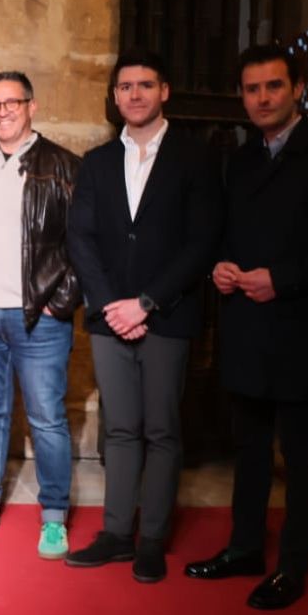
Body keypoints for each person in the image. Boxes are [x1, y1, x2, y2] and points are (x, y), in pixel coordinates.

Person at [185, 44, 308, 609]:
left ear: (298, 88)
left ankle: (293, 566)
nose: (262, 98)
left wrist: (279, 278)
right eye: (253, 89)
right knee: (249, 449)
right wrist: (222, 264)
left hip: (303, 328)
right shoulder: (241, 159)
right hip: (247, 328)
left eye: (274, 86)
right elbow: (227, 230)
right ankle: (245, 548)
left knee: (301, 455)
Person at [65, 52, 223, 582]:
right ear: (114, 97)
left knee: (161, 430)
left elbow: (201, 241)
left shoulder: (194, 158)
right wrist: (114, 305)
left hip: (167, 317)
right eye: (125, 87)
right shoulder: (98, 162)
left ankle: (152, 538)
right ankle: (115, 534)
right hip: (111, 319)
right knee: (120, 430)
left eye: (145, 85)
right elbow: (81, 239)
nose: (134, 94)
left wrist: (148, 302)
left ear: (165, 91)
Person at [0, 70, 82, 559]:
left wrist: (59, 303)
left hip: (39, 318)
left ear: (32, 106)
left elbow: (85, 248)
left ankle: (53, 517)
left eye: (12, 102)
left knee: (48, 419)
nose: (3, 111)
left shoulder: (64, 166)